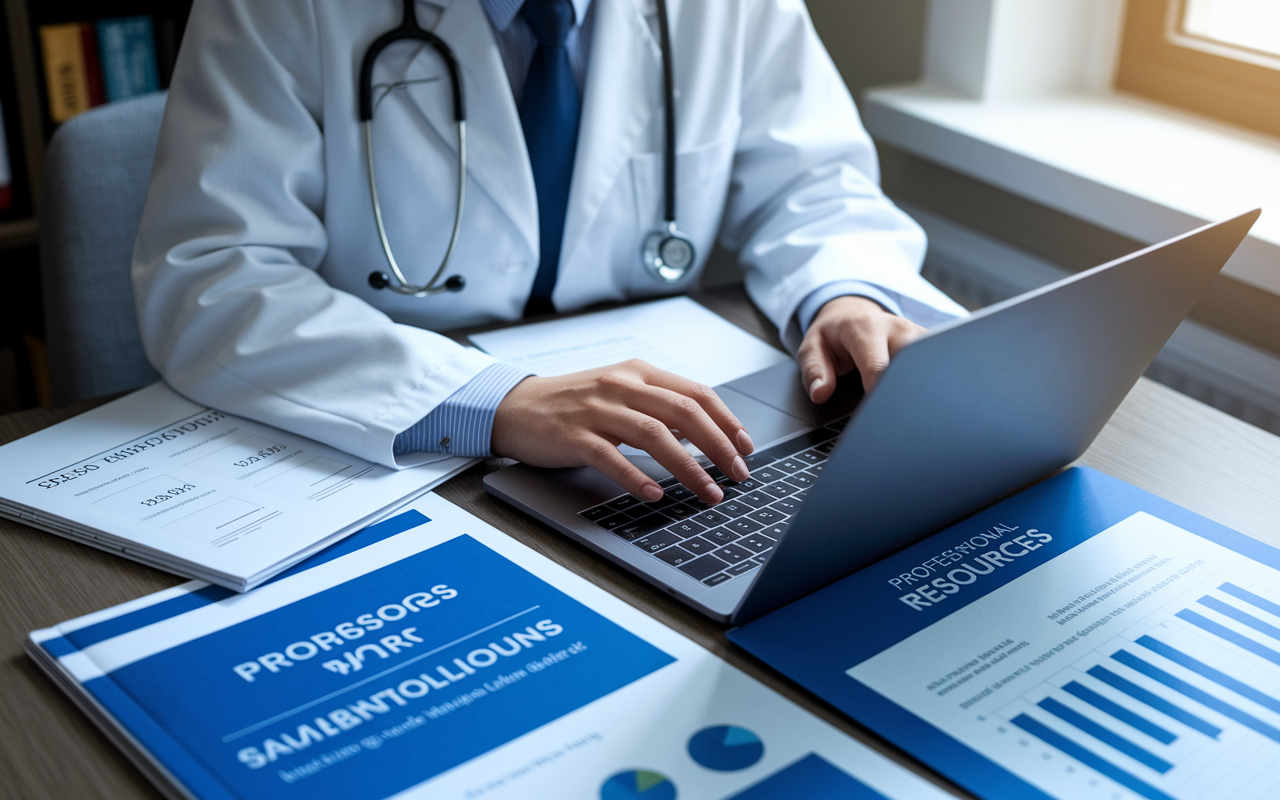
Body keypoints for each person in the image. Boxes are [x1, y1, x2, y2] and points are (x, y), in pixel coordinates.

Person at [132, 0, 966, 508]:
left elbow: (812, 181)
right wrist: (492, 402)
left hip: (637, 460)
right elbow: (214, 271)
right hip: (392, 445)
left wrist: (845, 293)